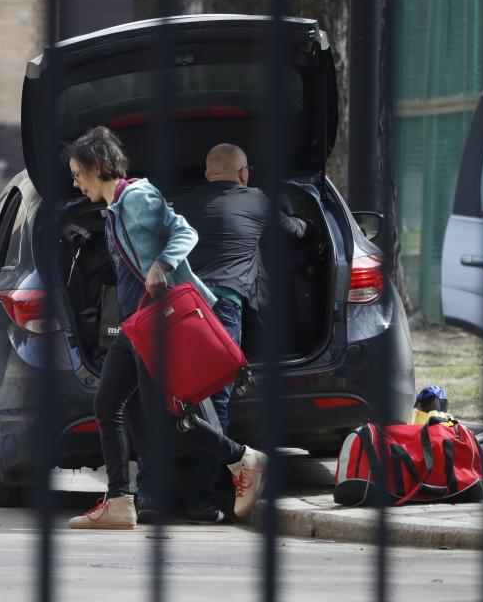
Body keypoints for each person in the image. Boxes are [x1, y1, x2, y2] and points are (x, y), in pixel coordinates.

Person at [64, 127, 268, 530]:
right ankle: (121, 500)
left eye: (77, 173)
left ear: (95, 167)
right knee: (109, 405)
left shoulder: (138, 198)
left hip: (160, 323)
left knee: (167, 414)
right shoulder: (116, 208)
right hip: (137, 326)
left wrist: (162, 265)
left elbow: (184, 232)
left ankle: (240, 457)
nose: (75, 182)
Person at [163, 142, 307, 523]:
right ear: (244, 174)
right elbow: (293, 230)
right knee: (217, 402)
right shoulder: (256, 200)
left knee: (181, 398)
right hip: (224, 309)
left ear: (208, 174)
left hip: (183, 311)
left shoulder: (185, 205)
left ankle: (154, 494)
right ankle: (201, 501)